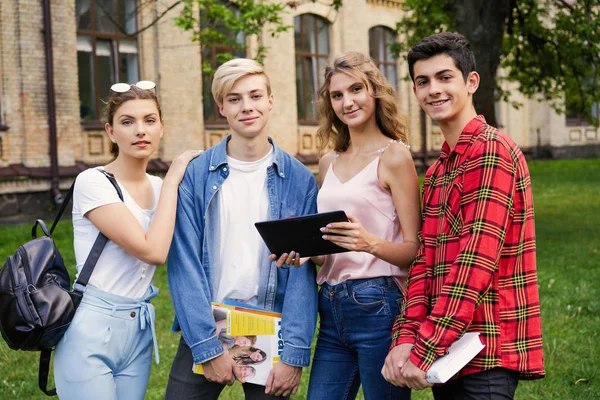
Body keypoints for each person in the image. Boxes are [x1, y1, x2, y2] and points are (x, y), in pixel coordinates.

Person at [382, 32, 545, 399]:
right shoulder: (440, 169)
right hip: (449, 357)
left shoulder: (491, 152)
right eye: (422, 81)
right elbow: (424, 261)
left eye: (444, 77)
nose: (433, 89)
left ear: (471, 82)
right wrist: (405, 337)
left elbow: (475, 263)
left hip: (486, 352)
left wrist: (423, 347)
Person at [165, 58, 319, 400]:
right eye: (234, 98)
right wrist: (208, 348)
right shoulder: (197, 174)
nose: (246, 107)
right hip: (207, 322)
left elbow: (302, 275)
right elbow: (183, 262)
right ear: (221, 106)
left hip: (268, 323)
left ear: (270, 100)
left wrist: (293, 354)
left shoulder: (299, 179)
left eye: (255, 96)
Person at [276, 52, 420, 400]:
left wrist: (368, 242)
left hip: (379, 304)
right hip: (332, 306)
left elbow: (416, 251)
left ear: (375, 92)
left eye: (356, 89)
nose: (347, 101)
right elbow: (331, 254)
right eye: (337, 95)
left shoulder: (395, 157)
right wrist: (305, 253)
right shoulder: (329, 162)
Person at [53, 81, 199, 400]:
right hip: (92, 327)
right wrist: (175, 176)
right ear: (110, 131)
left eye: (149, 120)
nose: (140, 131)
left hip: (139, 330)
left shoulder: (161, 188)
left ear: (161, 127)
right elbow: (152, 251)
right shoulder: (93, 182)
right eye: (127, 122)